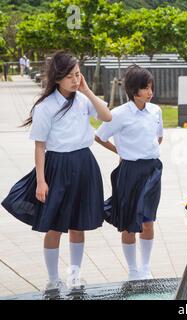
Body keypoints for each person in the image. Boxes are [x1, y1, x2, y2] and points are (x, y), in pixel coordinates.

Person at [1, 51, 112, 291]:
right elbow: (40, 146)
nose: (75, 79)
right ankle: (52, 279)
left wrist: (87, 91)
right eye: (71, 76)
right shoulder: (46, 106)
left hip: (84, 164)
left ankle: (74, 275)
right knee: (54, 225)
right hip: (57, 166)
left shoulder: (83, 100)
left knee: (78, 224)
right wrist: (41, 181)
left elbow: (107, 116)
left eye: (78, 74)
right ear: (58, 77)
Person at [95, 65, 163, 281]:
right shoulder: (118, 114)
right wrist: (120, 151)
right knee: (129, 221)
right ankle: (133, 270)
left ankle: (145, 267)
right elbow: (99, 137)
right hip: (129, 171)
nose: (150, 92)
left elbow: (158, 136)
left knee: (148, 220)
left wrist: (148, 149)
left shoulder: (156, 111)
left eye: (151, 87)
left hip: (152, 168)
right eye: (145, 88)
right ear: (134, 91)